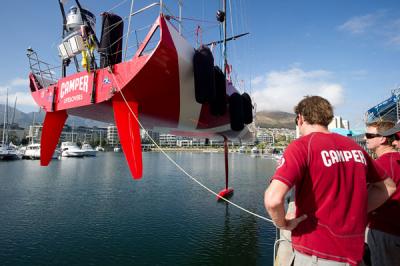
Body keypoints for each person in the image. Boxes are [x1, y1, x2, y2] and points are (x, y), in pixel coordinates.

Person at [264, 95, 396, 265]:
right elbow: (387, 187)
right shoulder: (354, 148)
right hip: (355, 257)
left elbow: (273, 200)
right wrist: (356, 211)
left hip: (316, 256)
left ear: (300, 118)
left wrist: (283, 223)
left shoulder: (302, 146)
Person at [365, 121, 400, 265]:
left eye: (369, 135)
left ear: (383, 138)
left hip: (384, 230)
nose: (365, 138)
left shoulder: (379, 165)